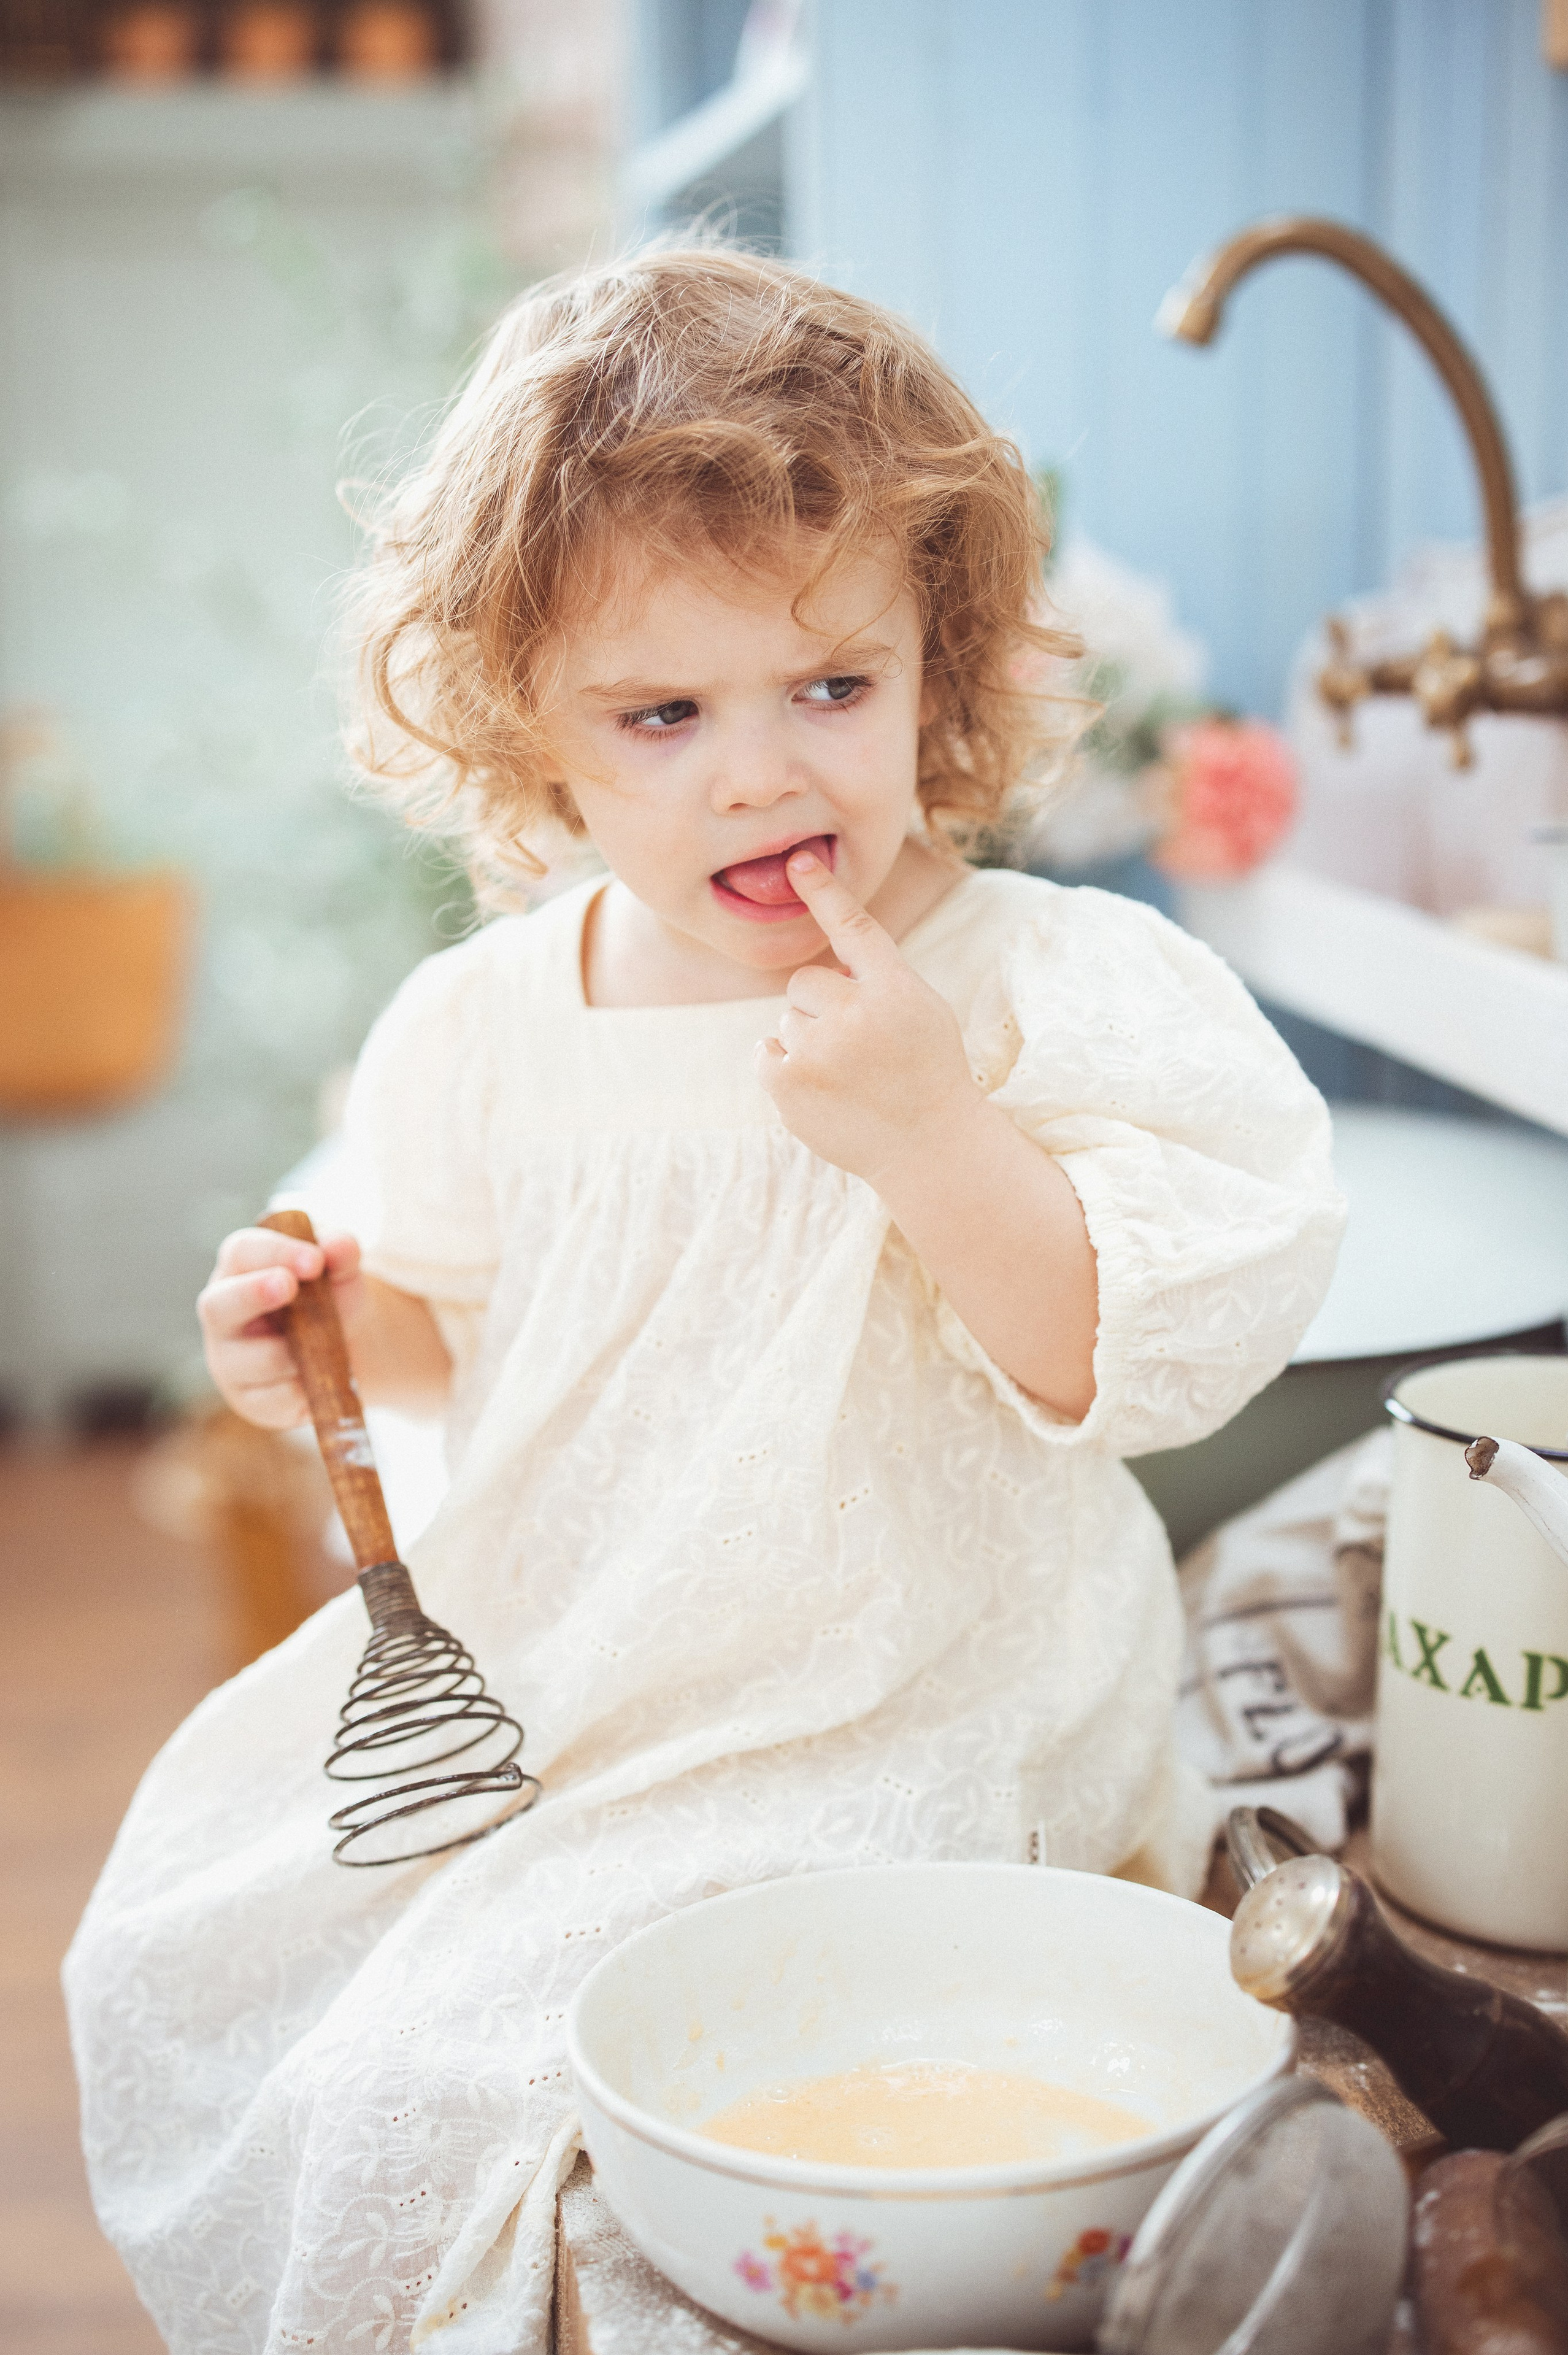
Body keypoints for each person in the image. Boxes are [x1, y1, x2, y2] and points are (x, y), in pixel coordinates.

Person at [66, 246, 1343, 2354]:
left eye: (829, 689)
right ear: (531, 744)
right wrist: (331, 1346)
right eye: (663, 716)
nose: (762, 774)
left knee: (616, 2071)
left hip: (928, 1681)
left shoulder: (1033, 988)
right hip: (588, 1666)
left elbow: (1120, 1366)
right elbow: (461, 1349)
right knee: (260, 1984)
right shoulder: (491, 1026)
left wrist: (932, 1125)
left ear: (940, 665)